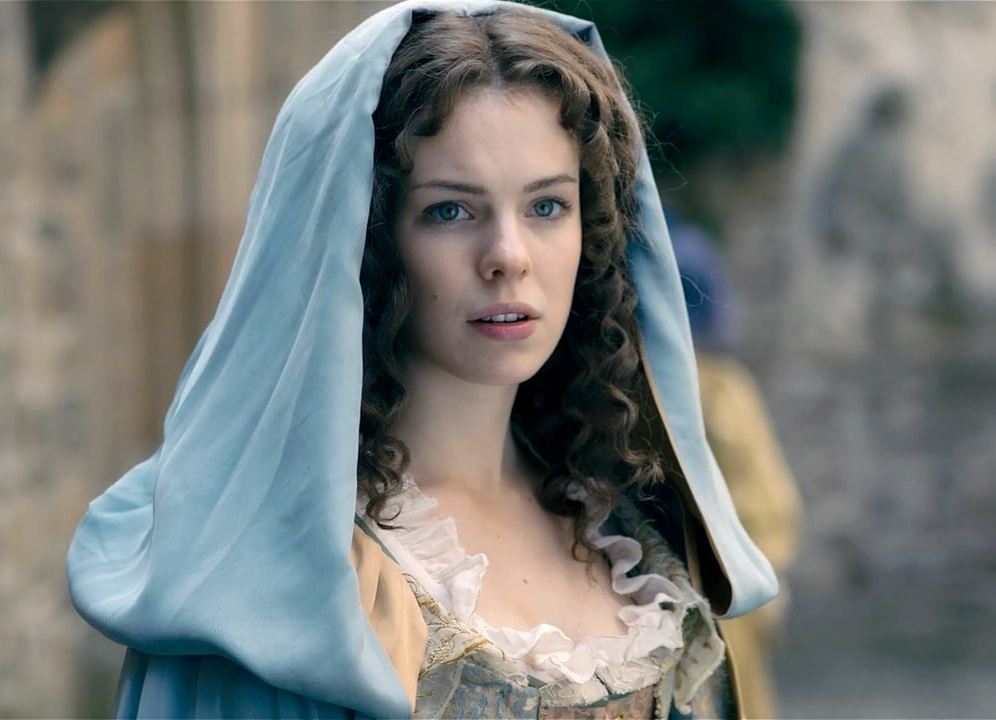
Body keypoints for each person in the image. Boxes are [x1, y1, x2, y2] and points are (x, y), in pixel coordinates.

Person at [66, 1, 778, 717]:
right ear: (371, 241)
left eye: (547, 207)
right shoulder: (280, 591)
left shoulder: (633, 540)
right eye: (450, 210)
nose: (508, 256)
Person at [669, 211, 804, 720]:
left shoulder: (718, 390)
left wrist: (768, 568)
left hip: (720, 586)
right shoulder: (718, 389)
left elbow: (765, 502)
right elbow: (770, 499)